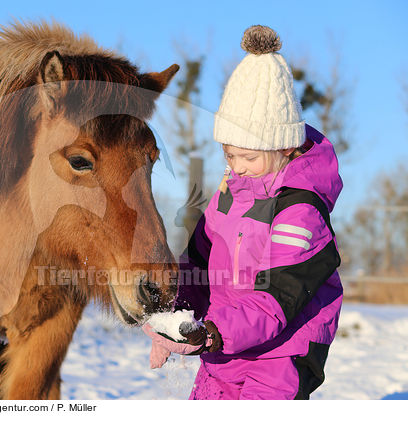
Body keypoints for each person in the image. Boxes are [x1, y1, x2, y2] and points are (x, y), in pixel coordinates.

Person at [143, 25, 343, 400]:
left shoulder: (300, 209)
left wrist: (210, 333)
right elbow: (198, 263)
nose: (237, 166)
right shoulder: (228, 195)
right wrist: (174, 319)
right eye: (229, 154)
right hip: (223, 345)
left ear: (283, 147)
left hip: (282, 351)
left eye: (248, 157)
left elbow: (278, 298)